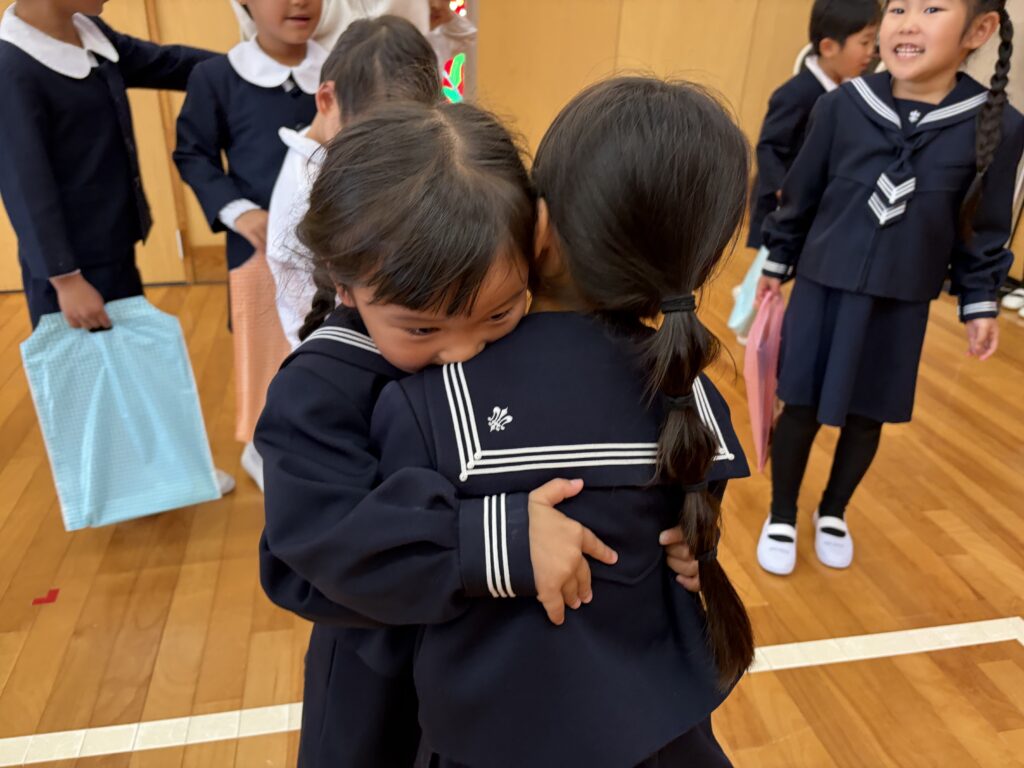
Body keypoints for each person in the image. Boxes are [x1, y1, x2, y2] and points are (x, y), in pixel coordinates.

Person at [363, 77, 754, 767]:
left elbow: (383, 593)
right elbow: (685, 538)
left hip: (485, 742)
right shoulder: (694, 400)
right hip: (658, 739)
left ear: (538, 229)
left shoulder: (427, 398)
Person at [756, 0, 1021, 575]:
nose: (908, 22)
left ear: (980, 29)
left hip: (900, 301)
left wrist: (980, 303)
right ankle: (781, 513)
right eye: (898, 7)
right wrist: (775, 264)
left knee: (867, 414)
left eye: (932, 8)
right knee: (799, 405)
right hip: (823, 287)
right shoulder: (842, 105)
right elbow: (801, 196)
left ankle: (833, 510)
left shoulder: (999, 126)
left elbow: (984, 228)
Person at [0, 0, 234, 494]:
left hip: (111, 241)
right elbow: (25, 185)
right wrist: (65, 278)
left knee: (127, 364)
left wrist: (249, 64)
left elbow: (166, 62)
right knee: (88, 381)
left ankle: (156, 475)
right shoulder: (12, 67)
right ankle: (115, 487)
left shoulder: (88, 32)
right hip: (71, 267)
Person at [175, 0, 327, 492]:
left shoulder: (339, 68)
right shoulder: (217, 77)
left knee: (322, 344)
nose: (300, 2)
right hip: (258, 252)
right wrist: (238, 211)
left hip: (331, 246)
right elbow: (193, 154)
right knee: (265, 353)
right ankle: (261, 448)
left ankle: (320, 436)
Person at [265, 14, 440, 348]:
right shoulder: (306, 195)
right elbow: (308, 317)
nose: (388, 153)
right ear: (327, 100)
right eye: (371, 137)